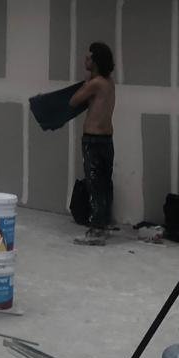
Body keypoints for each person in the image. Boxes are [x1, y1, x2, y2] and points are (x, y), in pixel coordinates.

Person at [71, 41, 116, 246]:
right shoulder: (109, 82)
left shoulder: (95, 83)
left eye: (89, 57)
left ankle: (96, 231)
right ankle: (103, 224)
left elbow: (74, 101)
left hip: (93, 139)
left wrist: (85, 82)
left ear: (96, 62)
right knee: (105, 183)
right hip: (107, 139)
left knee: (94, 184)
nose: (85, 60)